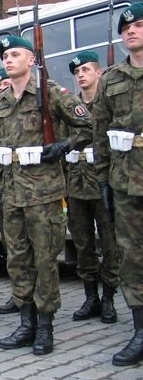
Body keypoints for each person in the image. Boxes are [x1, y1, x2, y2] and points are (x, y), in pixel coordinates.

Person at [0, 35, 92, 355]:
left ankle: (45, 327)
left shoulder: (50, 95)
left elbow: (86, 126)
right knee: (18, 260)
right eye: (5, 55)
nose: (8, 60)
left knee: (45, 260)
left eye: (15, 54)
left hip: (43, 192)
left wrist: (63, 147)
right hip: (12, 191)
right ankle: (26, 322)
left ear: (31, 60)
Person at [93, 2, 143, 366]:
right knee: (132, 256)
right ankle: (140, 331)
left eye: (139, 25)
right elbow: (101, 134)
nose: (131, 31)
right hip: (126, 179)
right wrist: (104, 181)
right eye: (126, 28)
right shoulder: (110, 79)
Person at [66, 51, 119, 324]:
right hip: (76, 184)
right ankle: (91, 298)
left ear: (99, 72)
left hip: (104, 181)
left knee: (110, 243)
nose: (81, 75)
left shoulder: (108, 103)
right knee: (82, 243)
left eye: (86, 70)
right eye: (77, 72)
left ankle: (109, 297)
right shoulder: (70, 107)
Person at [0, 68, 19, 315]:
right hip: (3, 187)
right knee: (12, 246)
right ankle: (18, 293)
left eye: (6, 83)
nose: (2, 88)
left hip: (31, 188)